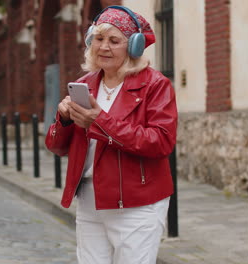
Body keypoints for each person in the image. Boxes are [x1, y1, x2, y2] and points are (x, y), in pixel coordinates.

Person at [45, 5, 177, 264]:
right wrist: (63, 120)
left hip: (137, 204)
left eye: (114, 41)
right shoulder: (84, 84)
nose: (104, 47)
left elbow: (161, 142)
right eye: (99, 38)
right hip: (90, 201)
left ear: (134, 47)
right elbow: (57, 147)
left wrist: (100, 122)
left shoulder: (156, 85)